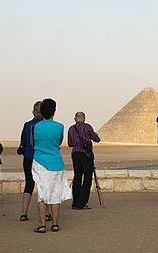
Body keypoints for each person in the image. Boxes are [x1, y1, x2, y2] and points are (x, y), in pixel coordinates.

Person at [31, 98, 71, 232]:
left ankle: (42, 225)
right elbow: (58, 142)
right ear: (54, 111)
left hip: (40, 162)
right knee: (55, 194)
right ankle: (55, 223)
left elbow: (32, 143)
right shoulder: (60, 126)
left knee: (42, 194)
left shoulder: (36, 126)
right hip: (56, 162)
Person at [68, 112, 101, 210]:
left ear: (75, 119)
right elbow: (97, 139)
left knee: (77, 177)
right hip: (86, 155)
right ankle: (81, 203)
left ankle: (75, 202)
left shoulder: (71, 129)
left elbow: (70, 144)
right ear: (84, 118)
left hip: (75, 154)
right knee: (87, 178)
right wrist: (94, 135)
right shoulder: (87, 127)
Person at [17, 101, 43, 222]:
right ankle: (47, 213)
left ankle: (24, 213)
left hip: (28, 158)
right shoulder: (44, 126)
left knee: (29, 184)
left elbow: (23, 142)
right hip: (41, 159)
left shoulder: (27, 125)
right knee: (43, 186)